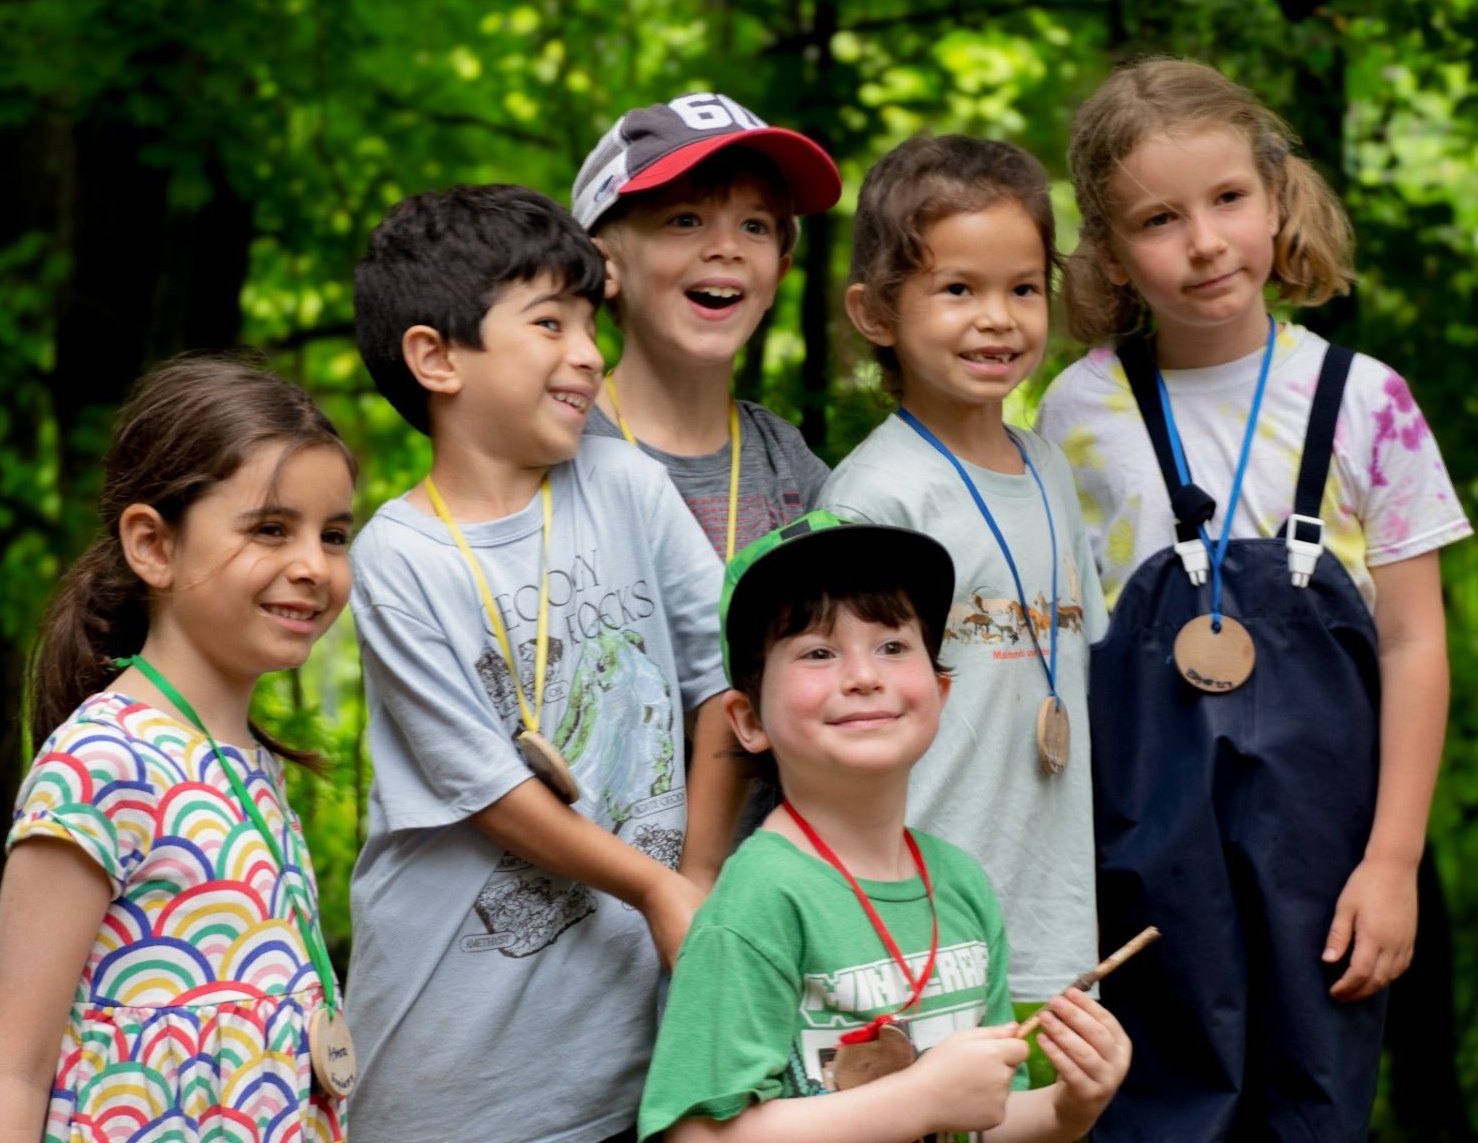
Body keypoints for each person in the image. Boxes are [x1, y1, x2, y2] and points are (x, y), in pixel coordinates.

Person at [1034, 58, 1473, 1140]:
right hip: (1137, 862)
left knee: (1312, 1109)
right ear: (1111, 250)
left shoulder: (1368, 402)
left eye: (1229, 198)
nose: (1205, 242)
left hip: (1328, 868)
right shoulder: (1078, 409)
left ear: (1278, 199)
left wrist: (1394, 861)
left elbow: (1416, 642)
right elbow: (1054, 644)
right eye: (1157, 217)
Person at [346, 184, 731, 1143]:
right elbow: (487, 792)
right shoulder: (398, 557)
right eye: (550, 322)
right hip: (457, 1072)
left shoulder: (628, 485)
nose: (590, 354)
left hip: (634, 1051)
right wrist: (657, 889)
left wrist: (702, 873)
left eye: (592, 321)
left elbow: (723, 686)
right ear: (436, 358)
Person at [0, 356, 358, 1142]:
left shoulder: (254, 766)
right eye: (271, 528)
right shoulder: (104, 762)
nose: (314, 565)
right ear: (153, 545)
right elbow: (11, 1073)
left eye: (335, 534)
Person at [637, 511, 1131, 1143]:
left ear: (941, 690)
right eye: (817, 651)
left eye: (894, 646)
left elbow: (984, 1118)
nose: (865, 676)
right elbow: (694, 1135)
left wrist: (1070, 1108)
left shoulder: (961, 885)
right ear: (748, 719)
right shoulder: (758, 900)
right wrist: (919, 1099)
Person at [820, 135, 1109, 1084]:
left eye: (1023, 288)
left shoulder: (1051, 471)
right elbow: (839, 735)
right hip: (921, 936)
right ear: (875, 312)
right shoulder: (875, 499)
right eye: (958, 290)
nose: (998, 319)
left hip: (1060, 924)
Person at [573, 92, 842, 558]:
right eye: (685, 219)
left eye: (754, 226)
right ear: (605, 267)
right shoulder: (557, 444)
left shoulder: (788, 463)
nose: (727, 247)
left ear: (776, 275)